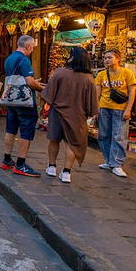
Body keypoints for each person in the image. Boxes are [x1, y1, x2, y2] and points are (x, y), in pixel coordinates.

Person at [40, 47, 99, 184]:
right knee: (71, 143)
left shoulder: (60, 73)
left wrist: (44, 107)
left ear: (73, 57)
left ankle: (52, 167)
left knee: (54, 139)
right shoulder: (89, 79)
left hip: (58, 113)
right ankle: (66, 172)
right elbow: (92, 103)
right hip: (78, 116)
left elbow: (49, 93)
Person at [1, 35, 46, 177]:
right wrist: (42, 88)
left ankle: (7, 159)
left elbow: (16, 79)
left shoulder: (9, 59)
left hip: (11, 100)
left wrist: (32, 81)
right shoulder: (24, 60)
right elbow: (30, 82)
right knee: (26, 130)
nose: (32, 50)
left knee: (10, 129)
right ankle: (21, 164)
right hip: (24, 101)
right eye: (32, 47)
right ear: (28, 46)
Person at [94, 49, 136, 178]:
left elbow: (132, 92)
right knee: (103, 135)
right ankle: (109, 161)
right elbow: (97, 93)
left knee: (119, 136)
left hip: (120, 108)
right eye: (105, 58)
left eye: (110, 57)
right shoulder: (101, 75)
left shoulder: (126, 73)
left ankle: (117, 164)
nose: (107, 60)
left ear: (118, 59)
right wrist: (96, 109)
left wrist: (128, 108)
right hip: (104, 107)